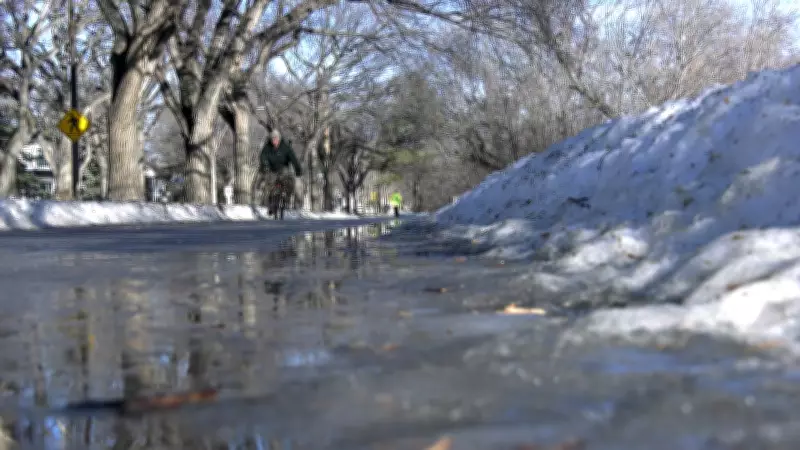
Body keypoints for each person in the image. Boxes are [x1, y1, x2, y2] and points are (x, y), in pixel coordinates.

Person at [256, 129, 303, 210]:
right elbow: (262, 156)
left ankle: (286, 198)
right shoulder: (267, 147)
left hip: (283, 168)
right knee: (268, 183)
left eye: (276, 139)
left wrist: (297, 169)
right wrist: (265, 165)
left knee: (289, 181)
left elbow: (293, 159)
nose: (275, 141)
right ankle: (268, 201)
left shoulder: (285, 147)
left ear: (279, 139)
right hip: (271, 168)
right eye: (273, 139)